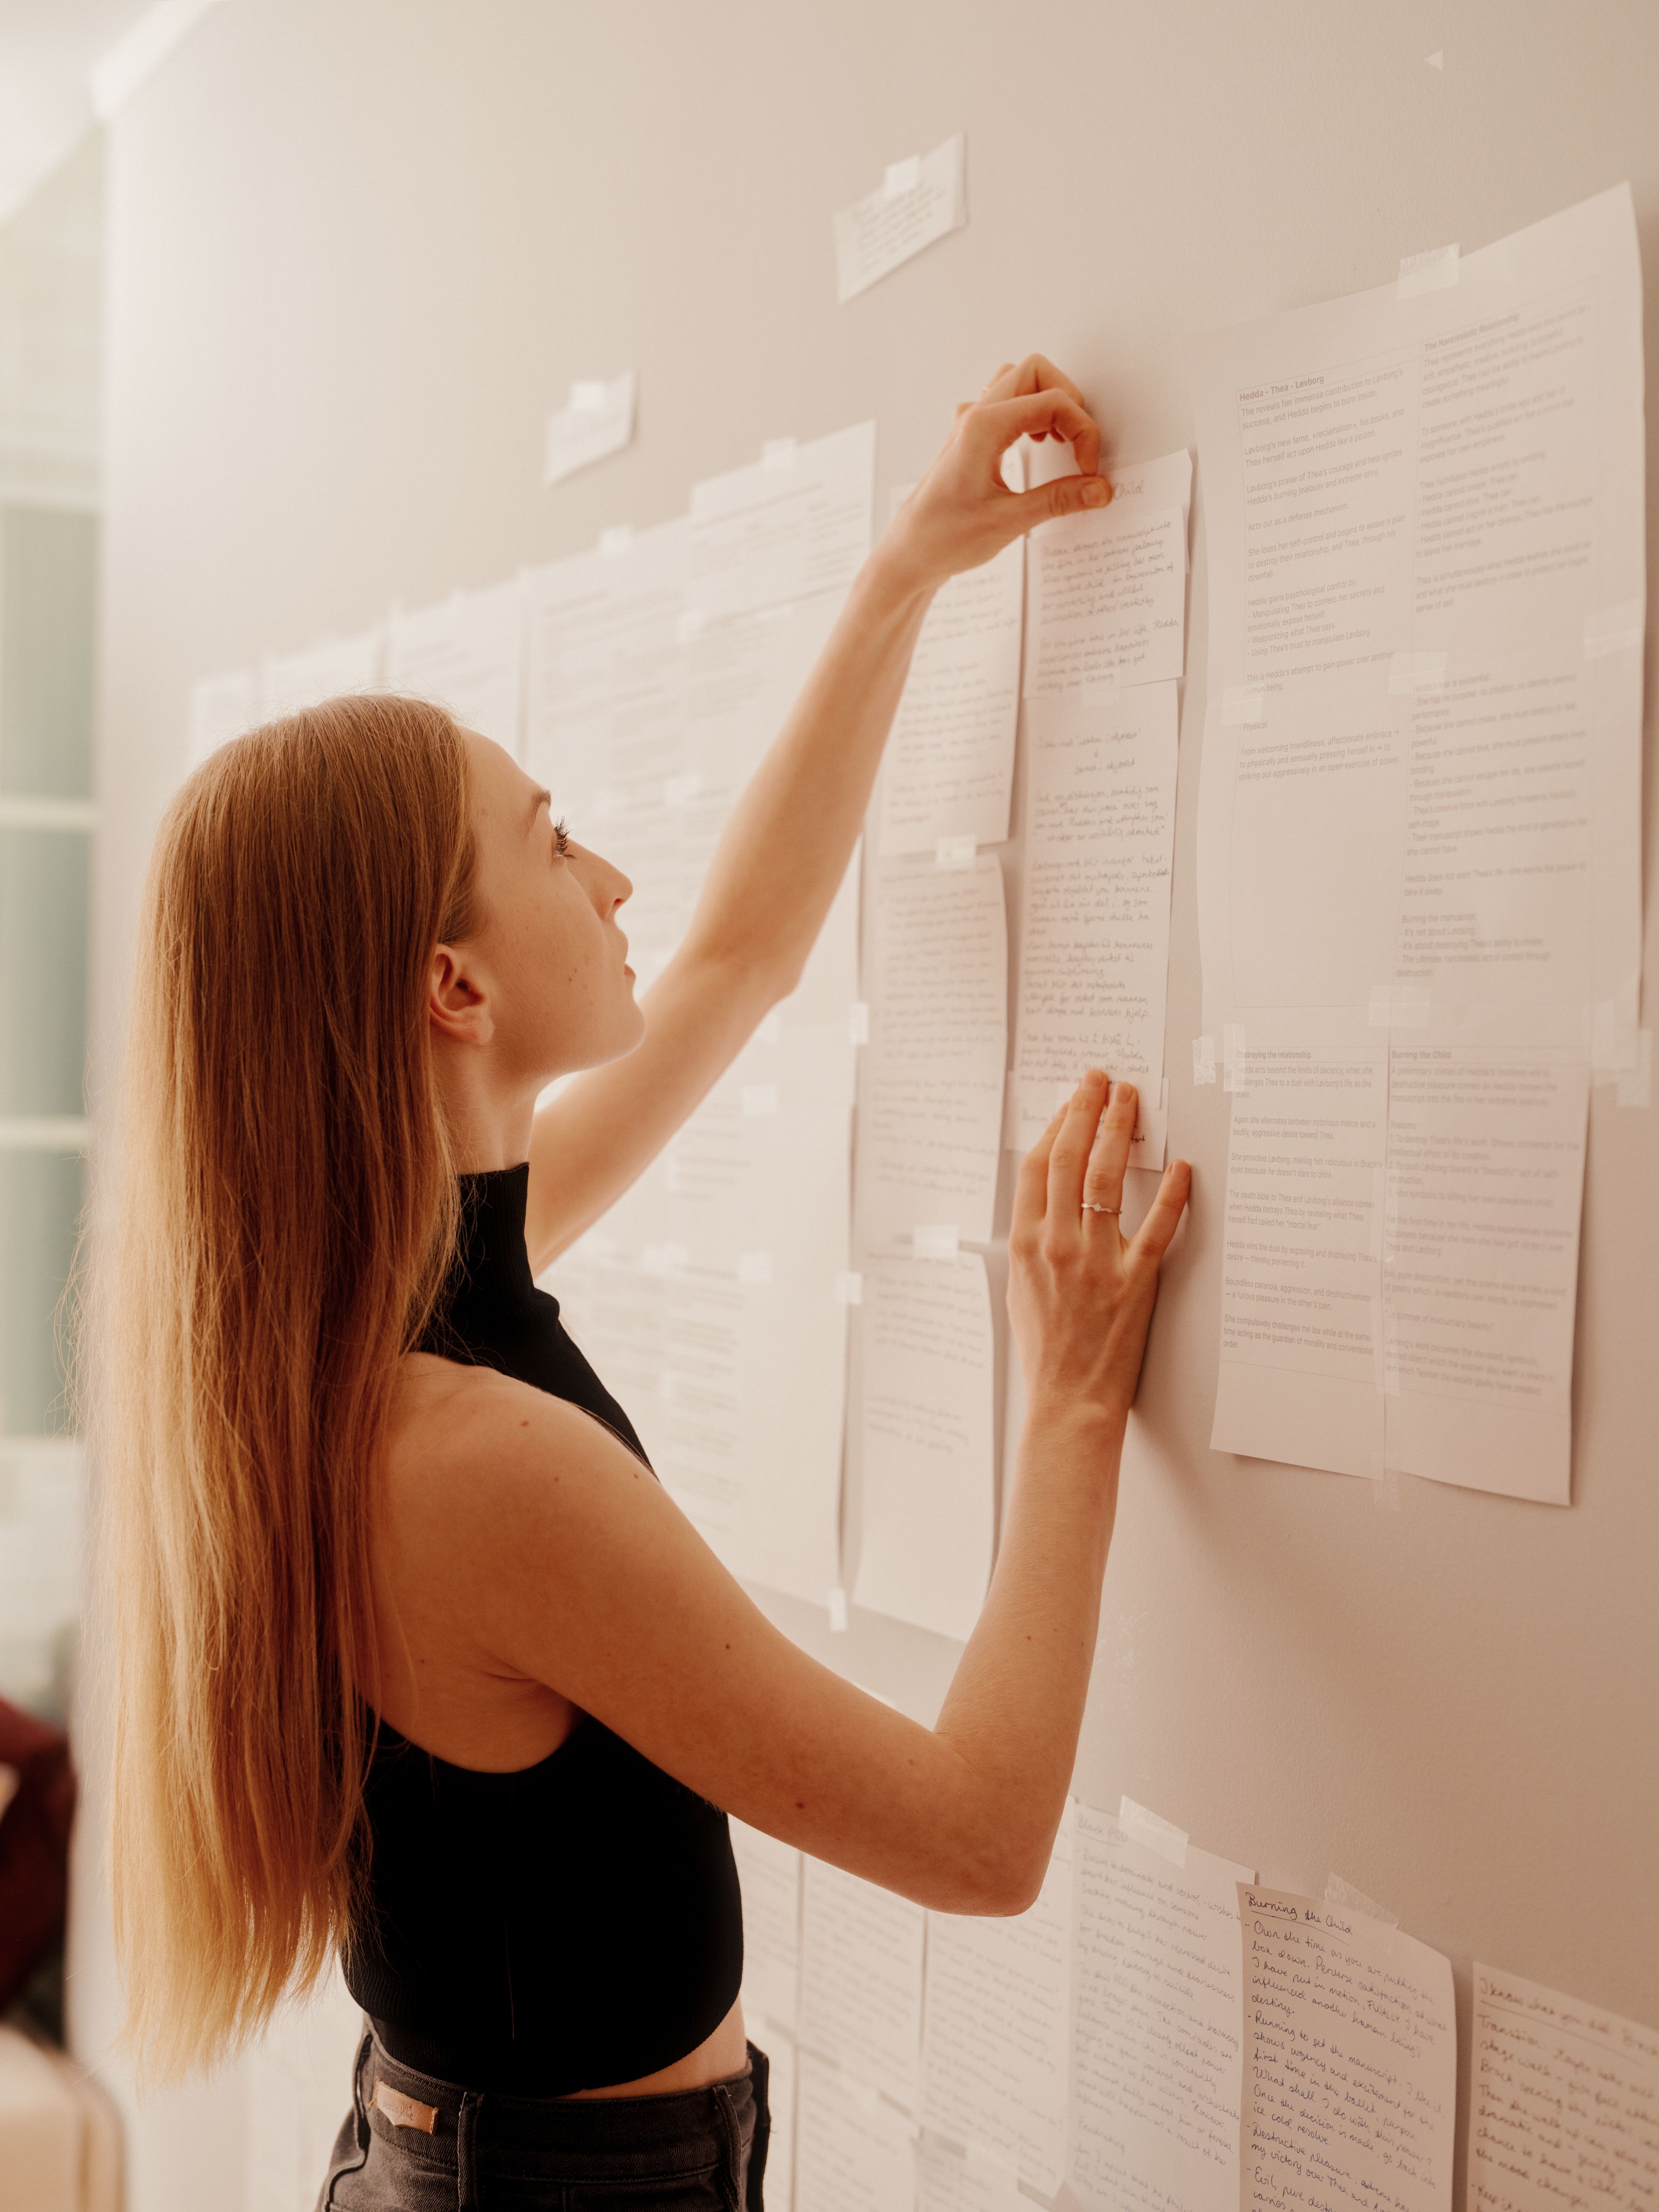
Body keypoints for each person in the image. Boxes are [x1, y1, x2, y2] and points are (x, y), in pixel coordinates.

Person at [92, 356, 1192, 2209]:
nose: (609, 878)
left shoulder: (382, 1299)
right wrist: (1077, 1400)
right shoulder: (463, 1458)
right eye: (551, 840)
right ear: (453, 988)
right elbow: (979, 1831)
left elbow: (738, 960)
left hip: (482, 2154)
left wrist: (907, 566)